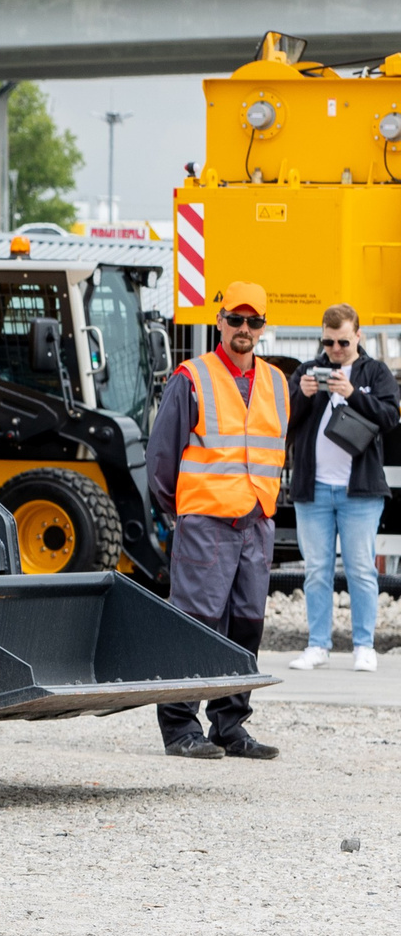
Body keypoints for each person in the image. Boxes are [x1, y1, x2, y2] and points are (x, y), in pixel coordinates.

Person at [145, 281, 286, 760]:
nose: (243, 329)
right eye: (235, 320)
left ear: (262, 329)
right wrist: (183, 510)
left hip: (256, 522)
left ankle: (230, 725)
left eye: (253, 322)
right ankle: (180, 726)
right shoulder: (191, 377)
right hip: (206, 522)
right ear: (220, 322)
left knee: (247, 625)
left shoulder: (276, 382)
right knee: (195, 622)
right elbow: (162, 457)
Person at [286, 303, 395, 671]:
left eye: (343, 342)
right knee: (316, 569)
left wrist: (352, 393)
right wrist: (300, 393)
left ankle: (364, 645)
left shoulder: (375, 371)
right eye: (328, 342)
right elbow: (283, 420)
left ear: (358, 336)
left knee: (361, 568)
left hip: (359, 491)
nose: (335, 350)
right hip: (313, 490)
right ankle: (318, 645)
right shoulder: (307, 371)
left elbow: (391, 416)